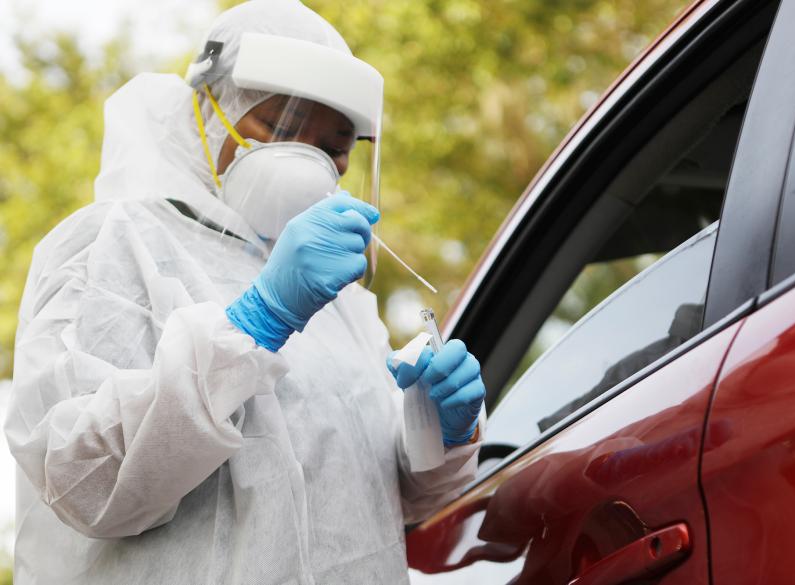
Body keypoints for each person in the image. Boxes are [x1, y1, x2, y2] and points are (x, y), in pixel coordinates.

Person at [3, 1, 485, 583]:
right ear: (209, 114)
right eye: (280, 128)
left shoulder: (343, 303)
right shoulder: (111, 244)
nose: (305, 162)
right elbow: (81, 480)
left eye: (333, 148)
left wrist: (440, 433)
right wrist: (254, 323)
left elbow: (393, 505)